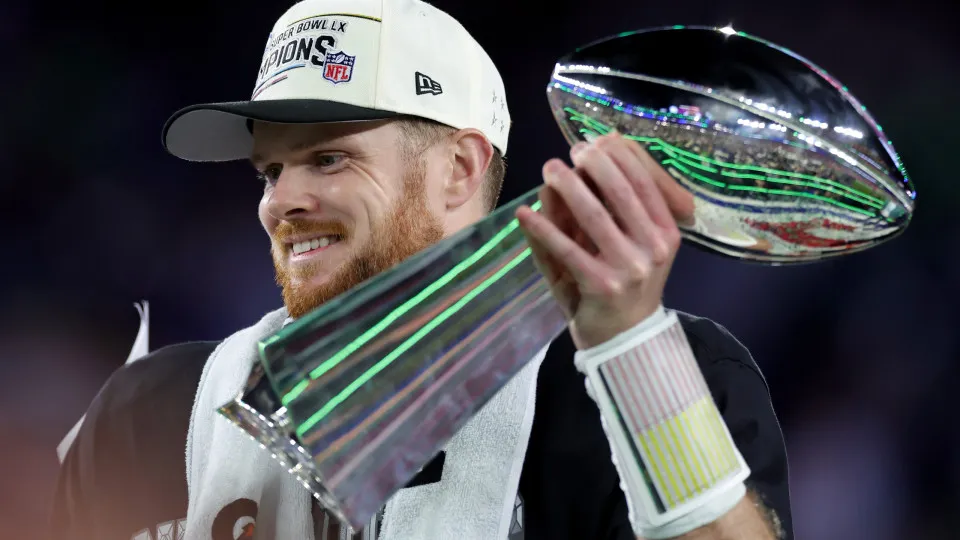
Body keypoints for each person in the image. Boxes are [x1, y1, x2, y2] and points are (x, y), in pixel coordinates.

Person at [50, 0, 793, 538]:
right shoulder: (151, 416)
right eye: (270, 170)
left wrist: (631, 348)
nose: (280, 202)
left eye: (328, 158)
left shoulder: (656, 381)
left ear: (459, 168)